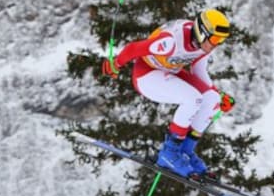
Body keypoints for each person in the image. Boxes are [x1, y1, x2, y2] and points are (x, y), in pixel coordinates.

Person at [101, 9, 236, 178]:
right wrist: (116, 63)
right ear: (202, 31)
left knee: (212, 99)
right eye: (215, 39)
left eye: (221, 40)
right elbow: (134, 48)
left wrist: (218, 94)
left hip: (170, 70)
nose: (216, 44)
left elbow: (198, 71)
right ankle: (169, 153)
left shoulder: (203, 45)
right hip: (146, 75)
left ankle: (185, 151)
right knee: (192, 99)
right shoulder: (171, 41)